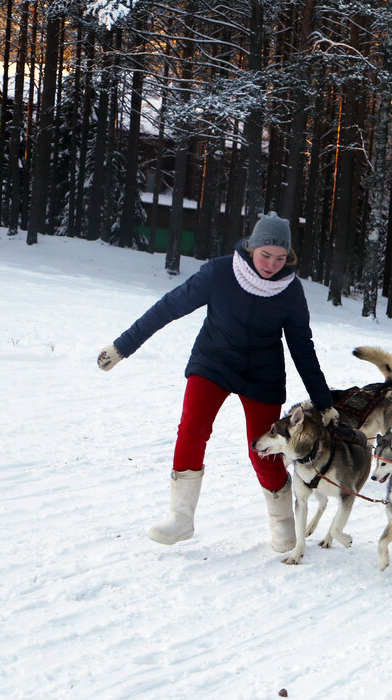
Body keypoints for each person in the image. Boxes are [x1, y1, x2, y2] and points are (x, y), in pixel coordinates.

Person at [96, 212, 337, 552]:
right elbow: (169, 307)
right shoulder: (220, 272)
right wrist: (122, 346)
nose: (271, 264)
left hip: (262, 373)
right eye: (265, 254)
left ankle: (283, 523)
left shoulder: (290, 290)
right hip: (214, 362)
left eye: (280, 258)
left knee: (264, 449)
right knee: (192, 428)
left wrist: (324, 402)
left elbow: (302, 347)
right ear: (251, 247)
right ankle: (181, 518)